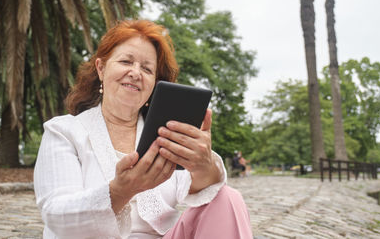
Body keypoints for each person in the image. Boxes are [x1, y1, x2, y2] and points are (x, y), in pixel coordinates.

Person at [34, 19, 253, 239]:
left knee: (228, 197)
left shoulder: (165, 134)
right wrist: (120, 191)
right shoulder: (63, 131)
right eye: (126, 62)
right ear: (101, 68)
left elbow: (199, 187)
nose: (135, 73)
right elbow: (56, 215)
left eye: (147, 69)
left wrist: (204, 164)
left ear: (154, 84)